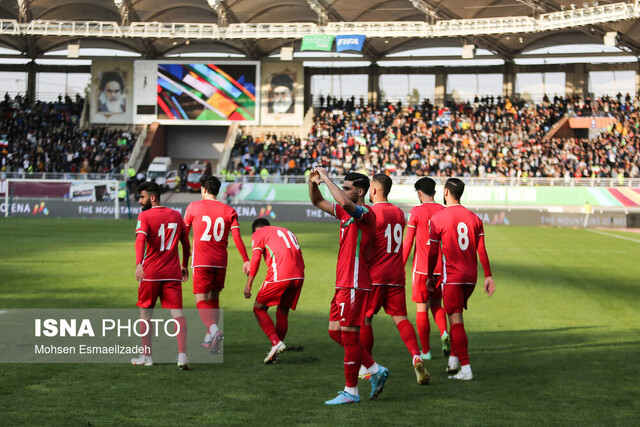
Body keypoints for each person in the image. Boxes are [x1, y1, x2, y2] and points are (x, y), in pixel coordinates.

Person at [309, 167, 389, 405]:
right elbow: (317, 200)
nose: (343, 191)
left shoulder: (366, 213)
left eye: (348, 187)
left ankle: (351, 391)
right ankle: (374, 369)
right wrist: (313, 182)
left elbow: (343, 202)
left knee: (350, 337)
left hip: (355, 282)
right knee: (335, 331)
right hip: (344, 282)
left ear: (361, 192)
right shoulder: (345, 214)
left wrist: (325, 177)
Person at [361, 174, 430, 385]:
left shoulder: (371, 212)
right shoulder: (400, 213)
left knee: (365, 318)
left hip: (375, 274)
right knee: (401, 318)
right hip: (396, 273)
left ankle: (367, 367)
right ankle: (416, 355)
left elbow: (365, 244)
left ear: (372, 190)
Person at [426, 178, 495, 381]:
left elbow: (432, 253)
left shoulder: (438, 218)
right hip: (471, 277)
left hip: (452, 276)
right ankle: (454, 359)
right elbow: (481, 249)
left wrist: (430, 276)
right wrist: (488, 275)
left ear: (446, 192)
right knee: (456, 318)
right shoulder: (474, 218)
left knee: (455, 320)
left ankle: (466, 368)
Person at [184, 175, 251, 354]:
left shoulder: (193, 207)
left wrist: (183, 260)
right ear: (217, 190)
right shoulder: (229, 211)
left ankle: (214, 331)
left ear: (204, 189)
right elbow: (237, 237)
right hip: (221, 262)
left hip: (201, 262)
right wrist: (246, 260)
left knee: (201, 300)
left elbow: (184, 237)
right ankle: (209, 338)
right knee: (214, 299)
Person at [131, 182, 191, 370]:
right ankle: (182, 356)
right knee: (178, 315)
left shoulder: (145, 215)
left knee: (145, 315)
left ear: (153, 197)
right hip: (172, 273)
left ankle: (147, 357)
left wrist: (139, 263)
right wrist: (184, 265)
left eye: (142, 197)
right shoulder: (176, 215)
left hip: (151, 273)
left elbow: (140, 239)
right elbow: (186, 243)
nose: (140, 201)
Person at [243, 218, 305, 364]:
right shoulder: (286, 231)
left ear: (256, 230)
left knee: (258, 309)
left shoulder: (258, 234)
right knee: (282, 312)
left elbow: (256, 258)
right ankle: (275, 351)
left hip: (280, 275)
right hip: (299, 275)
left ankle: (276, 342)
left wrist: (249, 285)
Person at [402, 177, 450, 362]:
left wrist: (400, 265)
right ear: (435, 193)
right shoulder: (444, 211)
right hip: (441, 268)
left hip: (422, 269)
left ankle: (426, 351)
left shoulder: (416, 212)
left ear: (419, 193)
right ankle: (444, 332)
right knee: (437, 304)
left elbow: (408, 242)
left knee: (422, 308)